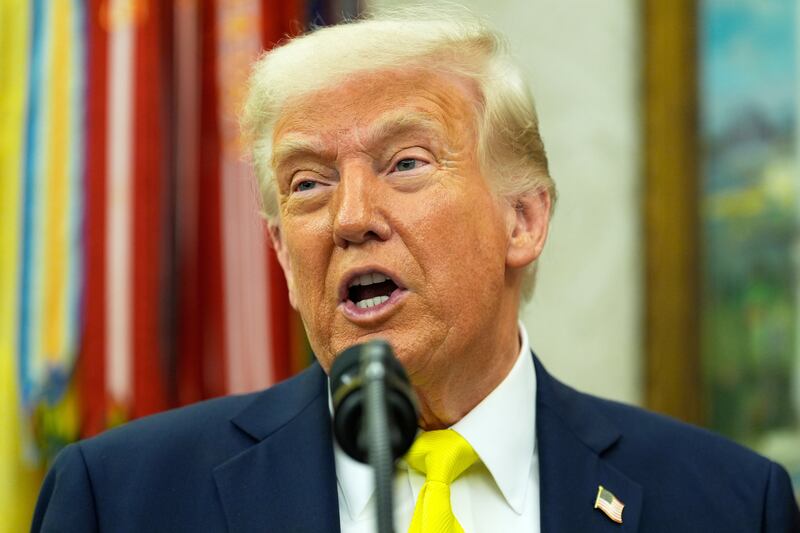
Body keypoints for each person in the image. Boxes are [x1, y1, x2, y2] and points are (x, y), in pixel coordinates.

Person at [32, 7, 800, 533]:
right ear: (278, 249)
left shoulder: (726, 503)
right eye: (308, 182)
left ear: (523, 220)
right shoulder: (124, 499)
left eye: (405, 162)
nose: (350, 216)